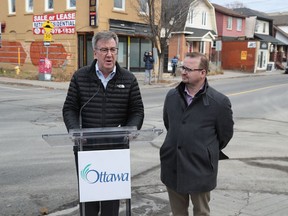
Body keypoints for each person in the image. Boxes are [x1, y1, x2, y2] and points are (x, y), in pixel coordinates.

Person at [62, 31, 144, 216]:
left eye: (113, 49)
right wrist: (76, 133)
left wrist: (131, 129)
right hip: (86, 150)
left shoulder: (128, 79)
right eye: (104, 49)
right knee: (89, 204)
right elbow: (69, 109)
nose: (110, 54)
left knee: (110, 205)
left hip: (115, 150)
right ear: (95, 52)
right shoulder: (80, 77)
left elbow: (137, 111)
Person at [160, 52, 234, 216]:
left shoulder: (219, 102)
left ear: (203, 73)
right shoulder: (172, 96)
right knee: (178, 212)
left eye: (189, 69)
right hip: (173, 165)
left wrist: (205, 151)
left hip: (200, 168)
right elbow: (169, 124)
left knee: (201, 212)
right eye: (183, 67)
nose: (184, 72)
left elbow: (225, 135)